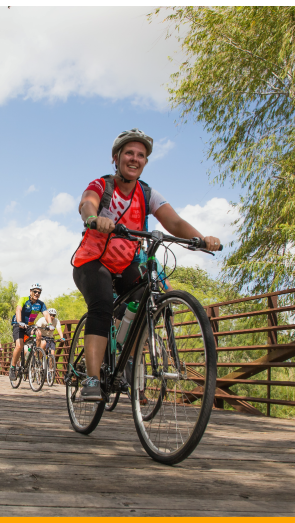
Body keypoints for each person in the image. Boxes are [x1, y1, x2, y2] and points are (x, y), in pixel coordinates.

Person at [71, 128, 221, 401]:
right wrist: (94, 218)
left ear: (145, 162)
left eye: (141, 155)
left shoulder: (147, 193)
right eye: (129, 153)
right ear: (116, 158)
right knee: (102, 306)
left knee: (148, 296)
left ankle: (126, 358)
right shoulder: (102, 185)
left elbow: (174, 222)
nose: (135, 159)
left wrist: (202, 239)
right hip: (92, 262)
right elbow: (87, 203)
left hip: (124, 264)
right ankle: (92, 379)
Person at [9, 283, 48, 381]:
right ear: (30, 292)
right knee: (19, 346)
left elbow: (46, 314)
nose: (37, 293)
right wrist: (19, 322)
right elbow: (18, 310)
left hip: (29, 326)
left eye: (39, 292)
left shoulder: (40, 304)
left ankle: (35, 357)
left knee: (38, 334)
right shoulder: (23, 299)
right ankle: (13, 368)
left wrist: (50, 324)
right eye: (35, 291)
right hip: (18, 324)